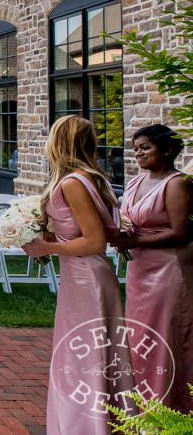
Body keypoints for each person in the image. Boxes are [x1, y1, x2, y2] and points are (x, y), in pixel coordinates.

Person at [23, 115, 133, 434]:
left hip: (87, 278)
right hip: (83, 276)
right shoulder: (91, 177)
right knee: (85, 354)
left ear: (60, 143)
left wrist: (47, 249)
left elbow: (95, 240)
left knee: (88, 357)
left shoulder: (73, 183)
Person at [112, 124, 193, 412]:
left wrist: (131, 240)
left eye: (145, 148)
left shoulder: (177, 183)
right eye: (136, 148)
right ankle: (142, 409)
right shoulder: (135, 182)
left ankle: (173, 410)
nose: (138, 153)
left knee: (167, 340)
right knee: (141, 339)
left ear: (167, 150)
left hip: (168, 272)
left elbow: (182, 233)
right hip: (139, 271)